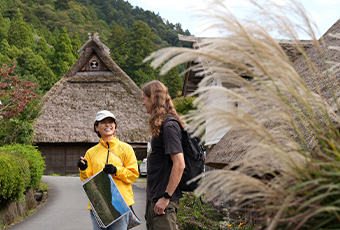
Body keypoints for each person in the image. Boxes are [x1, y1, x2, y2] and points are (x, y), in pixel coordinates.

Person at [77, 110, 139, 230]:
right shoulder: (91, 152)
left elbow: (133, 174)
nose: (107, 125)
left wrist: (116, 170)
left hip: (120, 204)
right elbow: (88, 181)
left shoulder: (126, 148)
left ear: (115, 125)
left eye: (111, 122)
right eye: (103, 122)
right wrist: (83, 169)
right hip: (98, 204)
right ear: (96, 127)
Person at [142, 80, 185, 230]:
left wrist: (166, 197)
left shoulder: (169, 126)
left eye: (144, 99)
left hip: (163, 201)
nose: (143, 104)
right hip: (155, 198)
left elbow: (179, 163)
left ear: (153, 99)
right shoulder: (161, 126)